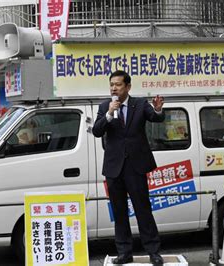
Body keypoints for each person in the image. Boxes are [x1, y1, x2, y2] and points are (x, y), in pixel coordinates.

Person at [92, 70, 165, 265]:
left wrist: (158, 110)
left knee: (143, 209)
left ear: (128, 87)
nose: (114, 88)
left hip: (135, 166)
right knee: (119, 211)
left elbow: (155, 117)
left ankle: (153, 251)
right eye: (111, 85)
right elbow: (97, 131)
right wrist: (108, 114)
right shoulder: (104, 107)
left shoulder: (139, 104)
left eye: (118, 85)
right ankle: (124, 252)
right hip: (114, 168)